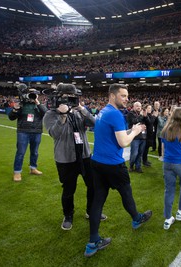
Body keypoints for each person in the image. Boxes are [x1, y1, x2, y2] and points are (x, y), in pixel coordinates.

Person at [84, 83, 152, 257]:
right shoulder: (115, 114)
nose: (127, 99)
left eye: (127, 96)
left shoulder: (103, 111)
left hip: (97, 162)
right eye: (123, 95)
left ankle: (92, 242)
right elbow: (123, 142)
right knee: (126, 193)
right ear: (112, 96)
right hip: (113, 165)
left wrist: (132, 129)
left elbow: (115, 134)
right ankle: (137, 219)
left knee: (98, 200)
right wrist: (135, 131)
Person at [43, 84, 106, 231]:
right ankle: (68, 215)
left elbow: (95, 124)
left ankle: (91, 211)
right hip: (65, 159)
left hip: (84, 156)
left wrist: (83, 110)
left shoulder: (78, 111)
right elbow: (54, 134)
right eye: (65, 97)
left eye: (71, 96)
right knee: (68, 189)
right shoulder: (50, 114)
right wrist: (63, 116)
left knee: (93, 185)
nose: (68, 100)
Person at [161, 107, 181, 230]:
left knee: (169, 190)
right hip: (180, 163)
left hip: (167, 163)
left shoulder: (165, 130)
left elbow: (163, 148)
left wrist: (165, 159)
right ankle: (180, 212)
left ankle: (168, 218)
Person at [8, 85, 47, 181]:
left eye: (34, 95)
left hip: (36, 131)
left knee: (35, 152)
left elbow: (46, 114)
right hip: (23, 131)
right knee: (20, 152)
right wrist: (15, 109)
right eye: (31, 94)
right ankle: (17, 172)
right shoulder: (22, 104)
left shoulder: (39, 105)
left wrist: (37, 103)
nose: (32, 96)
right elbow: (11, 117)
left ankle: (33, 168)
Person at [127, 102, 149, 173]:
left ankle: (138, 167)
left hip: (143, 136)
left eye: (140, 106)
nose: (139, 107)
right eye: (137, 106)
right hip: (135, 137)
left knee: (140, 153)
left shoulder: (142, 114)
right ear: (133, 107)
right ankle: (131, 165)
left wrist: (146, 116)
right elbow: (134, 121)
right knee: (134, 153)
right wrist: (141, 116)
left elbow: (148, 123)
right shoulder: (130, 114)